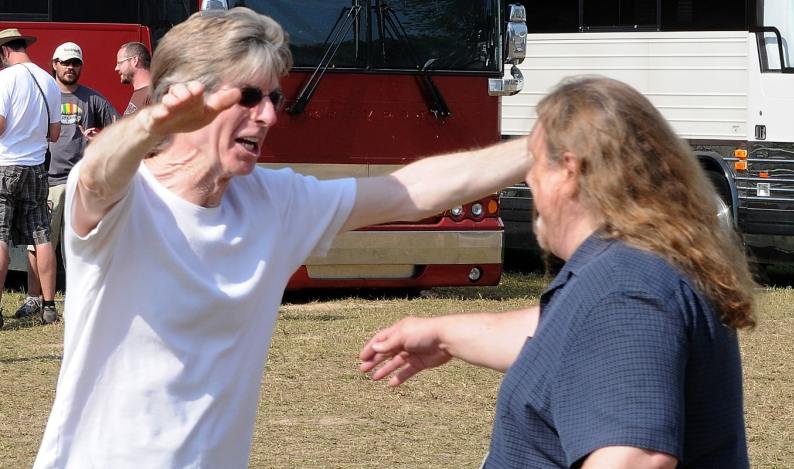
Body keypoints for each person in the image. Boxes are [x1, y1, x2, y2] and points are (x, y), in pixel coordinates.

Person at [33, 8, 528, 467]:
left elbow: (412, 190)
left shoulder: (275, 202)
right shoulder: (125, 201)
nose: (268, 116)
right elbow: (95, 176)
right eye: (249, 97)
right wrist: (149, 125)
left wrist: (539, 148)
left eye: (274, 99)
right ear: (187, 100)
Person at [361, 76, 757, 468]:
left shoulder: (627, 287)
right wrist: (444, 335)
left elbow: (636, 458)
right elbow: (564, 336)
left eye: (533, 166)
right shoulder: (622, 269)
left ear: (568, 171)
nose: (529, 181)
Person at [14, 42, 119, 322]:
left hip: (81, 184)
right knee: (38, 243)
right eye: (65, 62)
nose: (70, 67)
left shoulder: (93, 99)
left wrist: (99, 140)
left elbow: (119, 129)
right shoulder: (44, 94)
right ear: (55, 64)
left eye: (75, 63)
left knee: (78, 246)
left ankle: (79, 299)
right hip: (46, 180)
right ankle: (34, 299)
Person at [0, 29, 61, 328]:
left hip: (5, 165)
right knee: (41, 236)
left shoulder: (4, 79)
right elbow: (55, 134)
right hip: (36, 167)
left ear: (4, 51)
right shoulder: (48, 81)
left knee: (0, 236)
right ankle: (49, 306)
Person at [115, 41, 151, 116]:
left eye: (119, 63)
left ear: (135, 61)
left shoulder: (154, 94)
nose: (116, 68)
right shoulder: (141, 93)